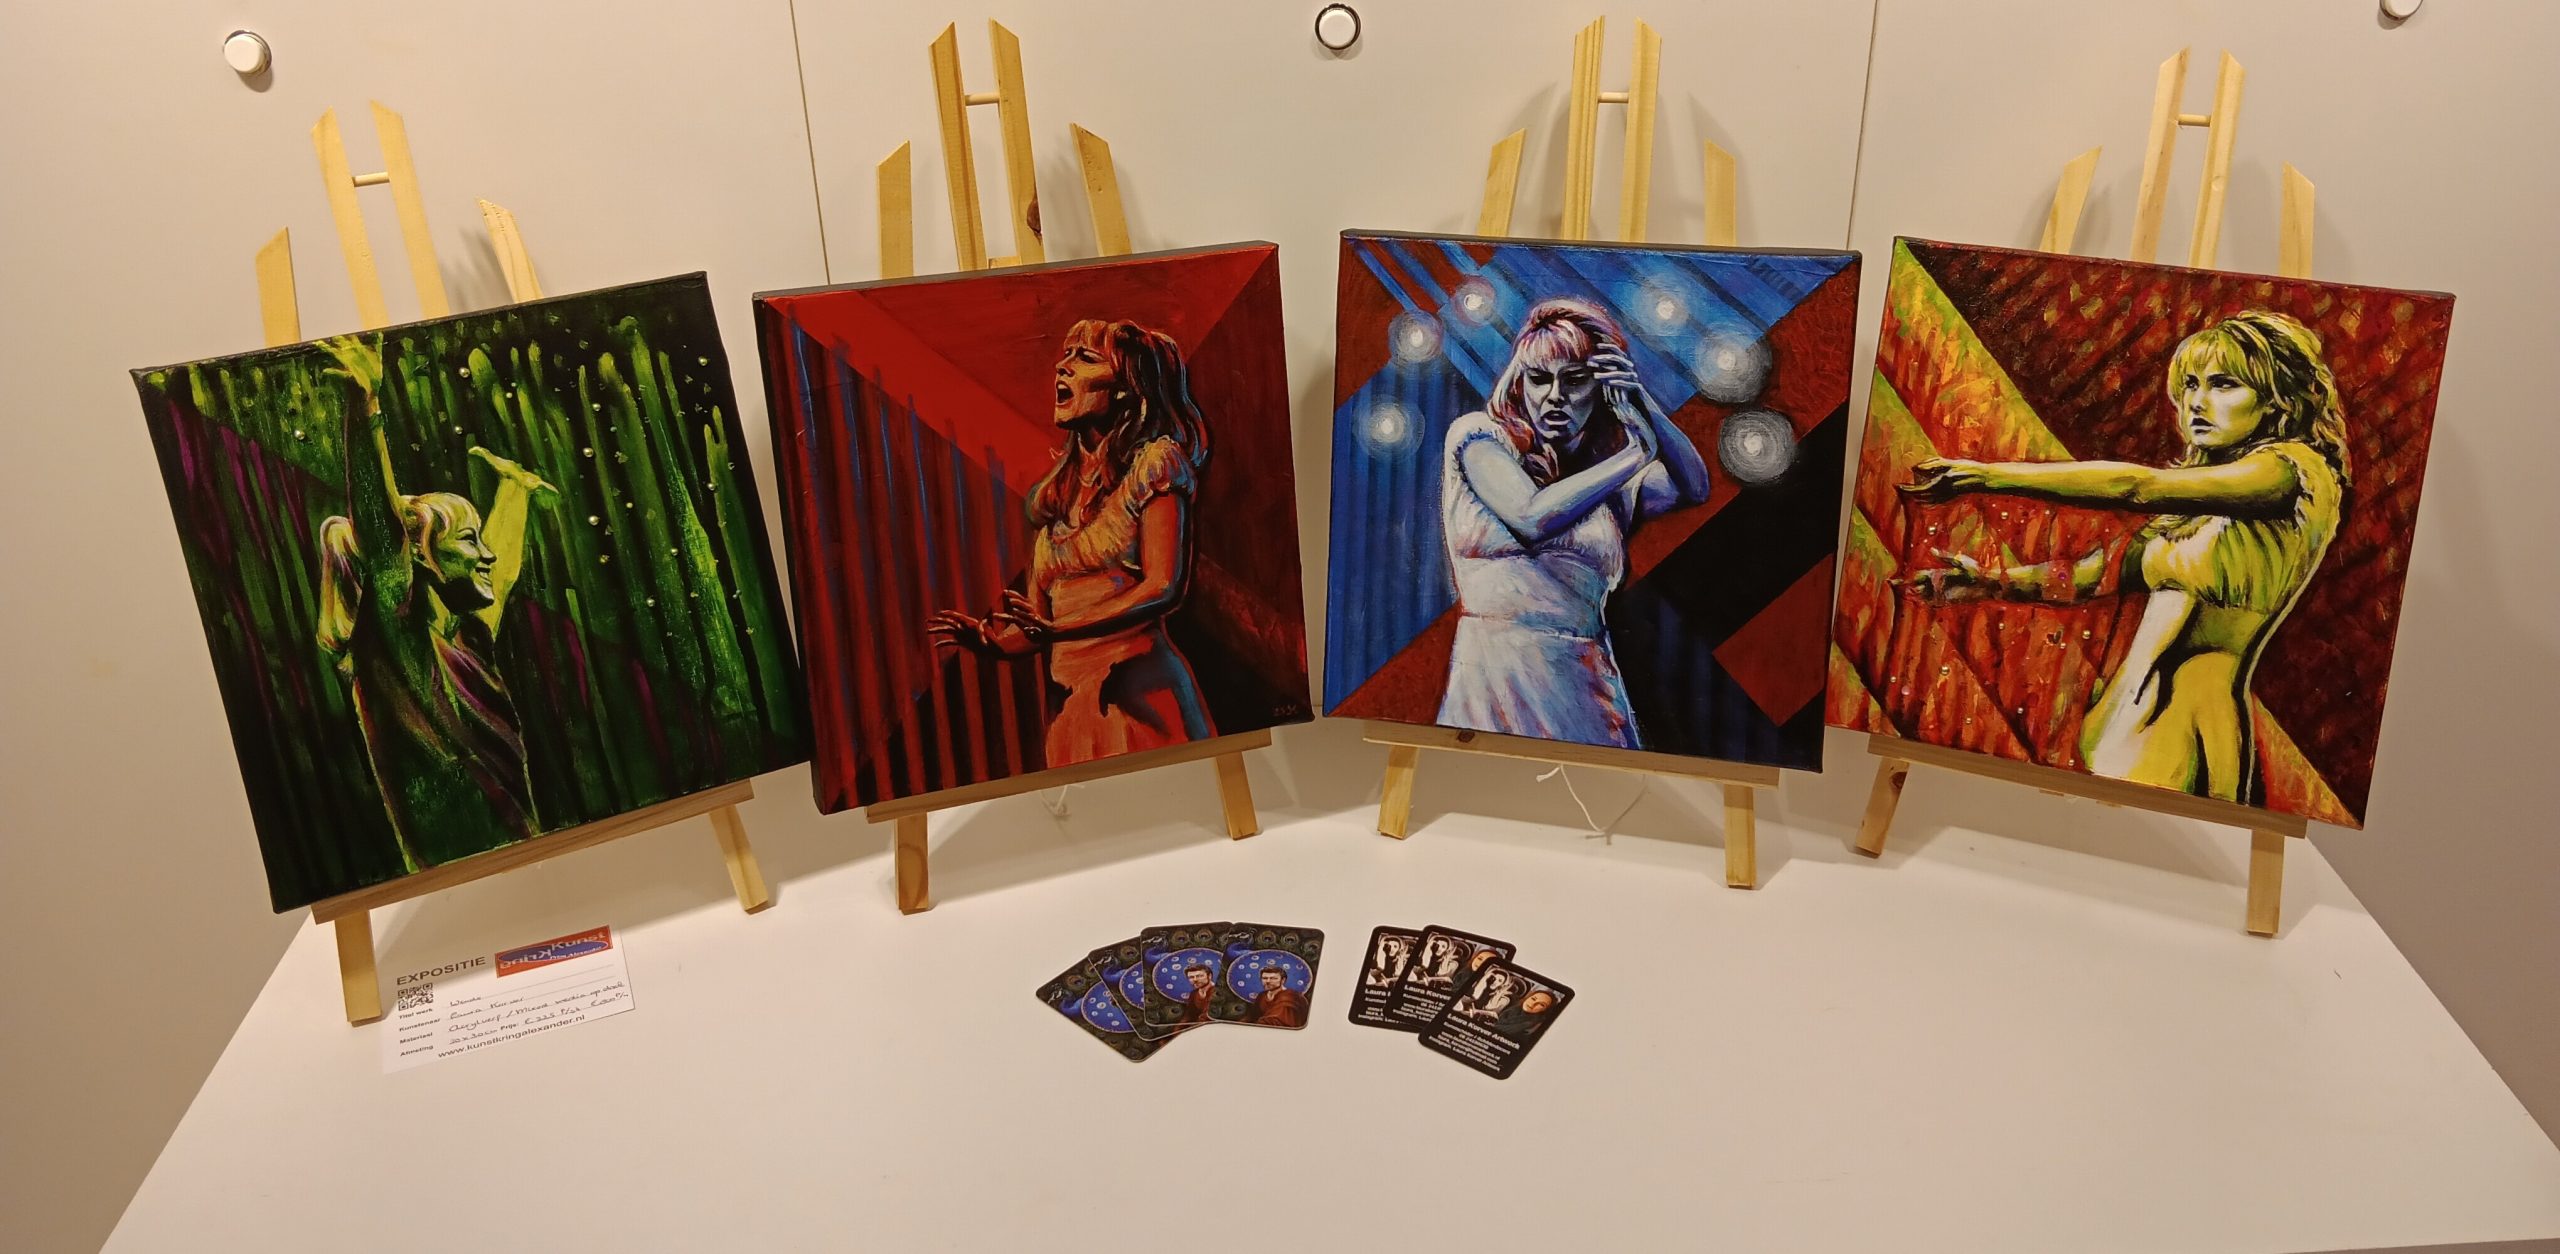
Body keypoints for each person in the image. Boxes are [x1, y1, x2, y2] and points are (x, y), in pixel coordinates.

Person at [1900, 310, 2347, 806]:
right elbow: (2090, 575)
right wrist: (1990, 582)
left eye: (2224, 384)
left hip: (2187, 726)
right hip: (2119, 725)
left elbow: (2138, 487)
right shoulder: (2200, 510)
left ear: (2278, 399)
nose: (2197, 403)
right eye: (2190, 385)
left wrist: (1989, 477)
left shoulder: (2291, 472)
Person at [313, 335, 558, 870]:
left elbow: (502, 573)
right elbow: (381, 532)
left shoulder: (469, 633)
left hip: (522, 847)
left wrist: (515, 490)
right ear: (422, 558)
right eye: (468, 541)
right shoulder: (400, 639)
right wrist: (366, 404)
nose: (485, 553)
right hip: (455, 865)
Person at [929, 319, 1215, 765]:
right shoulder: (1055, 498)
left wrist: (1060, 631)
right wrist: (991, 644)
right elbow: (1037, 624)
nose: (1062, 367)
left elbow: (1163, 586)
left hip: (1142, 701)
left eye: (1085, 358)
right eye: (1065, 355)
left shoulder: (1156, 463)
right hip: (1074, 712)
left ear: (1125, 389)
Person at [1438, 298, 1712, 749]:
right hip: (1493, 675)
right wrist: (1635, 455)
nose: (1554, 396)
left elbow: (1694, 487)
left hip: (1586, 686)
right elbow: (1532, 517)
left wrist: (1639, 399)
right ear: (1519, 381)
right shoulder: (1479, 437)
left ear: (1602, 386)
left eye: (1576, 380)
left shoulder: (1608, 485)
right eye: (1539, 378)